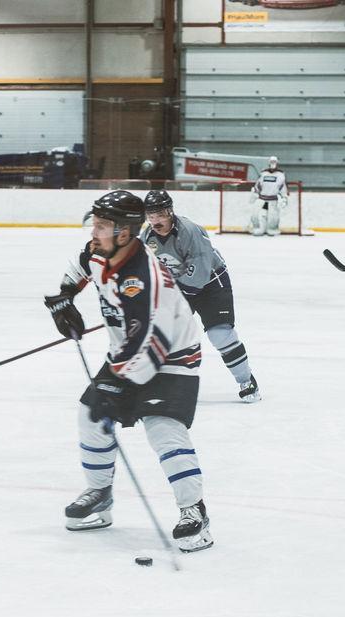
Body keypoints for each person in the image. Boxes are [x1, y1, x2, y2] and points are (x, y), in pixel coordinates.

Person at [43, 190, 213, 553]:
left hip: (173, 355)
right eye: (94, 224)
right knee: (90, 415)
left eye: (102, 226)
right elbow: (80, 265)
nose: (94, 232)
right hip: (127, 351)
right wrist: (64, 297)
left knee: (162, 426)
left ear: (124, 233)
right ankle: (100, 495)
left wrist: (119, 387)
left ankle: (194, 511)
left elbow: (154, 342)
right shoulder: (99, 251)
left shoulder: (146, 277)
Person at [141, 189, 260, 402]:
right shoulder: (147, 237)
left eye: (159, 214)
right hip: (181, 287)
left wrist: (174, 294)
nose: (155, 220)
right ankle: (164, 382)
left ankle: (246, 380)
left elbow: (201, 270)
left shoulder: (189, 231)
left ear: (169, 212)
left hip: (212, 283)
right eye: (151, 215)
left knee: (220, 334)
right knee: (165, 334)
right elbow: (146, 268)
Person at [249, 156, 288, 236]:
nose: (273, 163)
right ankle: (258, 228)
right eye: (271, 162)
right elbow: (258, 185)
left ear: (277, 163)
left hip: (273, 201)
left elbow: (283, 187)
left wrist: (284, 198)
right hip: (262, 199)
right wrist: (255, 193)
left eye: (274, 162)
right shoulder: (263, 173)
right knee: (256, 215)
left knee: (273, 217)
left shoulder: (280, 175)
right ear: (269, 163)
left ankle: (272, 229)